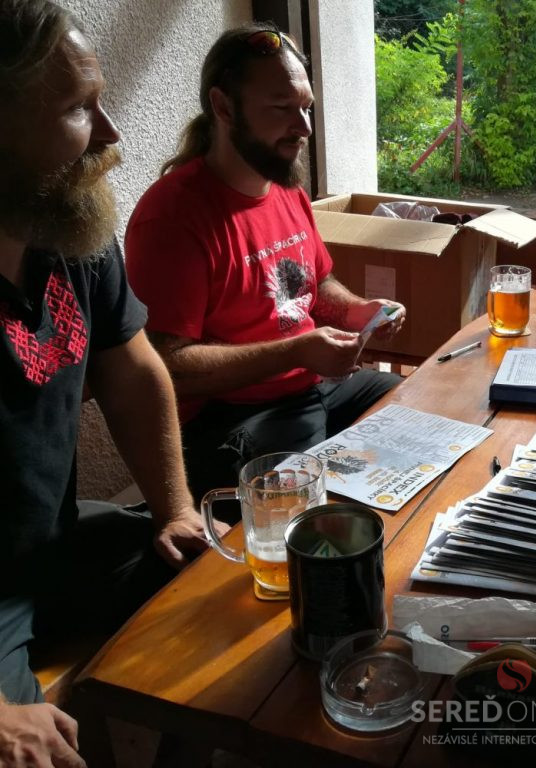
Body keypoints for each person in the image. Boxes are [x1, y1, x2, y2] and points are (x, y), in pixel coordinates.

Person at [0, 1, 223, 764]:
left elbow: (132, 371)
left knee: (223, 579)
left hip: (53, 546)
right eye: (78, 109)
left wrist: (175, 510)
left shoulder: (71, 232)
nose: (111, 133)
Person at [124, 25, 406, 504]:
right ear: (223, 107)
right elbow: (166, 365)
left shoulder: (284, 185)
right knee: (332, 507)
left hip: (315, 390)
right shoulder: (171, 217)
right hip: (233, 419)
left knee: (412, 416)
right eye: (281, 108)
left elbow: (316, 282)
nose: (305, 127)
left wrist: (358, 310)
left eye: (306, 108)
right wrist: (297, 351)